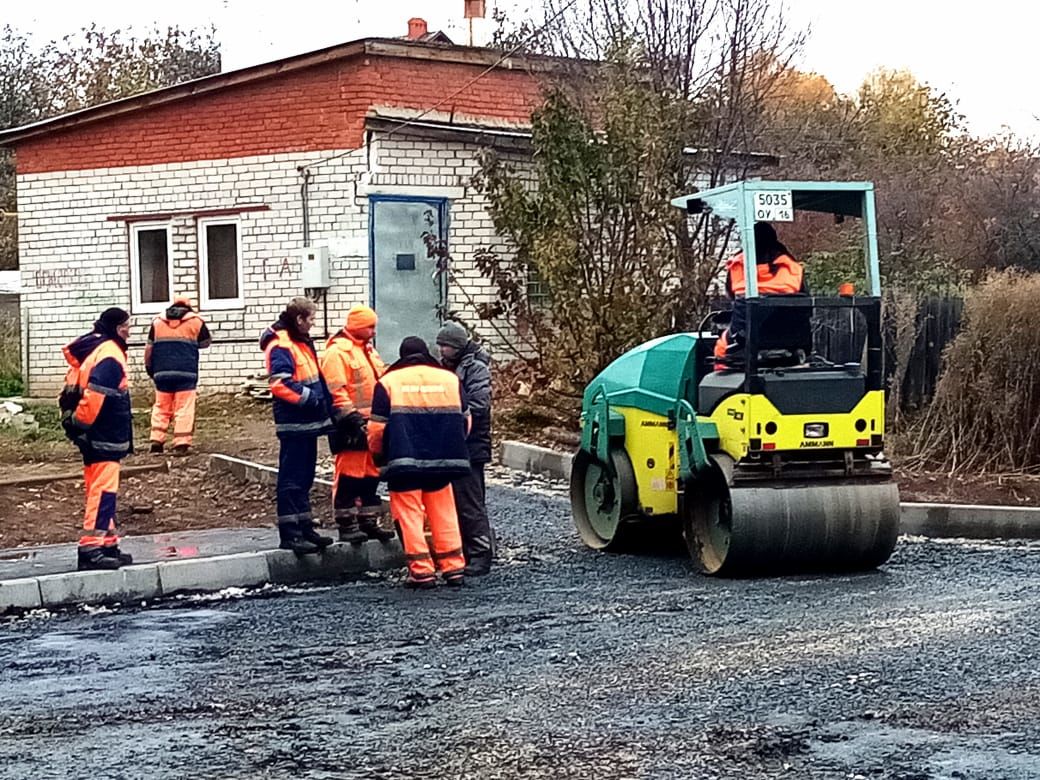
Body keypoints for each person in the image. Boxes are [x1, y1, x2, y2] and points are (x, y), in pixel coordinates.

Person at [368, 337, 471, 589]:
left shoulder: (388, 382)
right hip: (443, 462)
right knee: (444, 514)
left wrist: (378, 456)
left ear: (402, 357)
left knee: (410, 516)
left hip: (404, 464)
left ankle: (422, 572)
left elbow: (376, 430)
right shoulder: (449, 379)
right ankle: (454, 568)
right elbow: (466, 422)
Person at [59, 307, 135, 571]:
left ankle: (108, 543)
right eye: (126, 326)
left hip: (95, 435)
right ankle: (92, 547)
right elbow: (95, 397)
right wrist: (83, 424)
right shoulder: (110, 354)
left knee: (101, 490)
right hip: (104, 434)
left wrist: (77, 428)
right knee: (103, 492)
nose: (129, 330)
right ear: (116, 327)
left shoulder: (94, 348)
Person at [260, 297, 335, 555]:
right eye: (311, 319)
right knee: (292, 479)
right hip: (295, 422)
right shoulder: (281, 344)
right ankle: (290, 534)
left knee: (303, 478)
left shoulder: (298, 340)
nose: (313, 323)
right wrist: (311, 399)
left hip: (307, 422)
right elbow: (280, 384)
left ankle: (305, 527)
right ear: (299, 320)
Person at [320, 304, 394, 544]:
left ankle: (368, 522)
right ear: (359, 328)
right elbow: (335, 389)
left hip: (371, 422)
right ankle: (347, 523)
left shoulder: (367, 350)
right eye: (370, 327)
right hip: (349, 424)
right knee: (349, 474)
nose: (374, 332)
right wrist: (349, 415)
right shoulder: (338, 352)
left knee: (371, 473)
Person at [436, 321, 494, 577]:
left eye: (445, 345)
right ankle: (467, 551)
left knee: (471, 502)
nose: (441, 350)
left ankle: (481, 554)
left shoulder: (475, 369)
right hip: (455, 442)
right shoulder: (448, 367)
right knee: (458, 501)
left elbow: (479, 404)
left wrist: (447, 411)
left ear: (457, 346)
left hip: (471, 444)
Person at [714, 221, 807, 371]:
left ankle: (718, 387)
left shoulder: (738, 264)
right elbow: (805, 301)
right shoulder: (793, 267)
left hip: (746, 338)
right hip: (791, 341)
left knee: (721, 350)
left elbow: (731, 295)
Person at [145, 294, 212, 455]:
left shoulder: (157, 322)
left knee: (161, 406)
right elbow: (205, 343)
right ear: (188, 307)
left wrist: (149, 367)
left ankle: (156, 441)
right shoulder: (196, 321)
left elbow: (149, 349)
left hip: (161, 372)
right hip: (186, 372)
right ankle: (181, 443)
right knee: (184, 407)